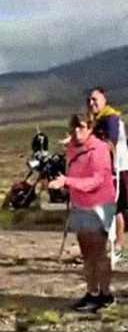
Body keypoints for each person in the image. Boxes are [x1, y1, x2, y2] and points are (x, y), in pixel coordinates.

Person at [49, 114, 117, 311]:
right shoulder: (73, 148)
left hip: (99, 205)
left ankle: (105, 294)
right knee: (87, 252)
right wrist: (64, 186)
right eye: (74, 128)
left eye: (81, 127)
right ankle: (93, 293)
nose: (77, 132)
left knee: (98, 252)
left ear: (90, 128)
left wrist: (68, 182)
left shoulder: (99, 149)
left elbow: (96, 180)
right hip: (80, 204)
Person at [86, 87, 128, 255]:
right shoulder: (97, 120)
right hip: (105, 169)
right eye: (89, 100)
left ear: (104, 100)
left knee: (116, 206)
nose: (91, 103)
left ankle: (118, 244)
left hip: (118, 168)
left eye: (94, 99)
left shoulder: (111, 118)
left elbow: (110, 143)